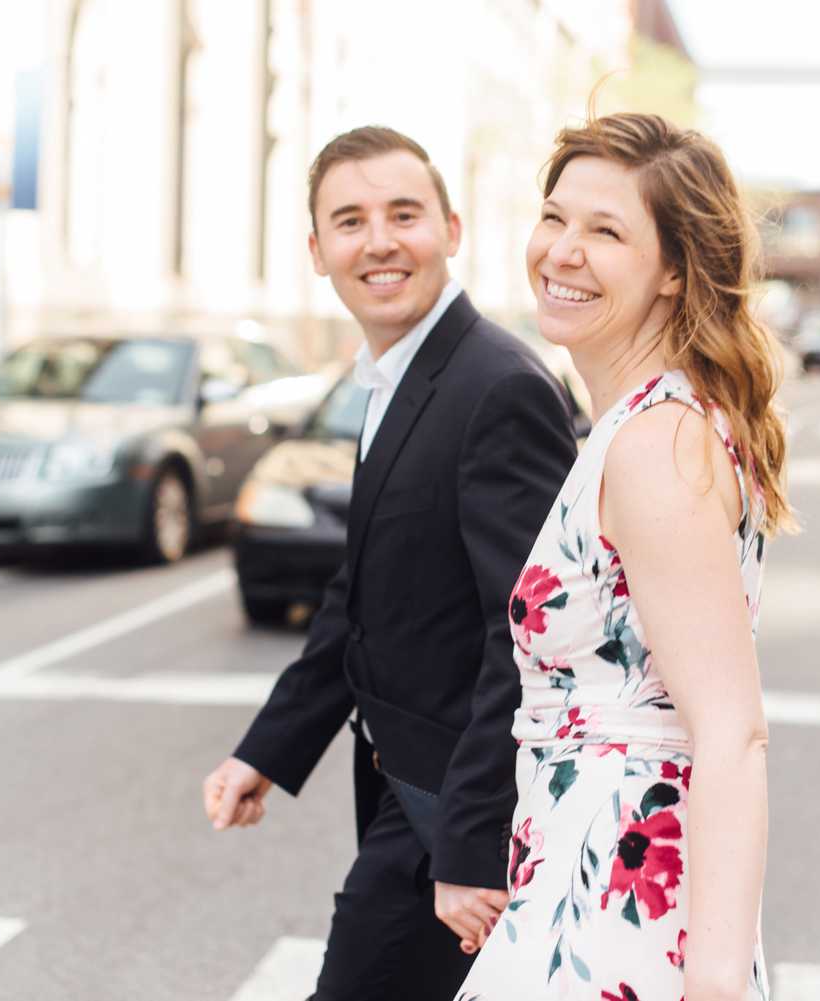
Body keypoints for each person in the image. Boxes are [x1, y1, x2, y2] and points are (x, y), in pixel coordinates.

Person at [201, 126, 578, 1000]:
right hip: (407, 797)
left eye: (402, 215)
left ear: (451, 228)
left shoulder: (499, 386)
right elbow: (359, 598)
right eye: (350, 221)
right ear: (317, 251)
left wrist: (471, 841)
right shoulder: (397, 376)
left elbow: (528, 635)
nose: (378, 241)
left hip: (453, 814)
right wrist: (268, 749)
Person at [452, 112, 796, 1001]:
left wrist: (715, 981)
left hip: (616, 907)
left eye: (606, 231)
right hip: (579, 883)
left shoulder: (655, 445)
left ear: (675, 271)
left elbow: (732, 730)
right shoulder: (647, 422)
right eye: (556, 217)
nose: (562, 251)